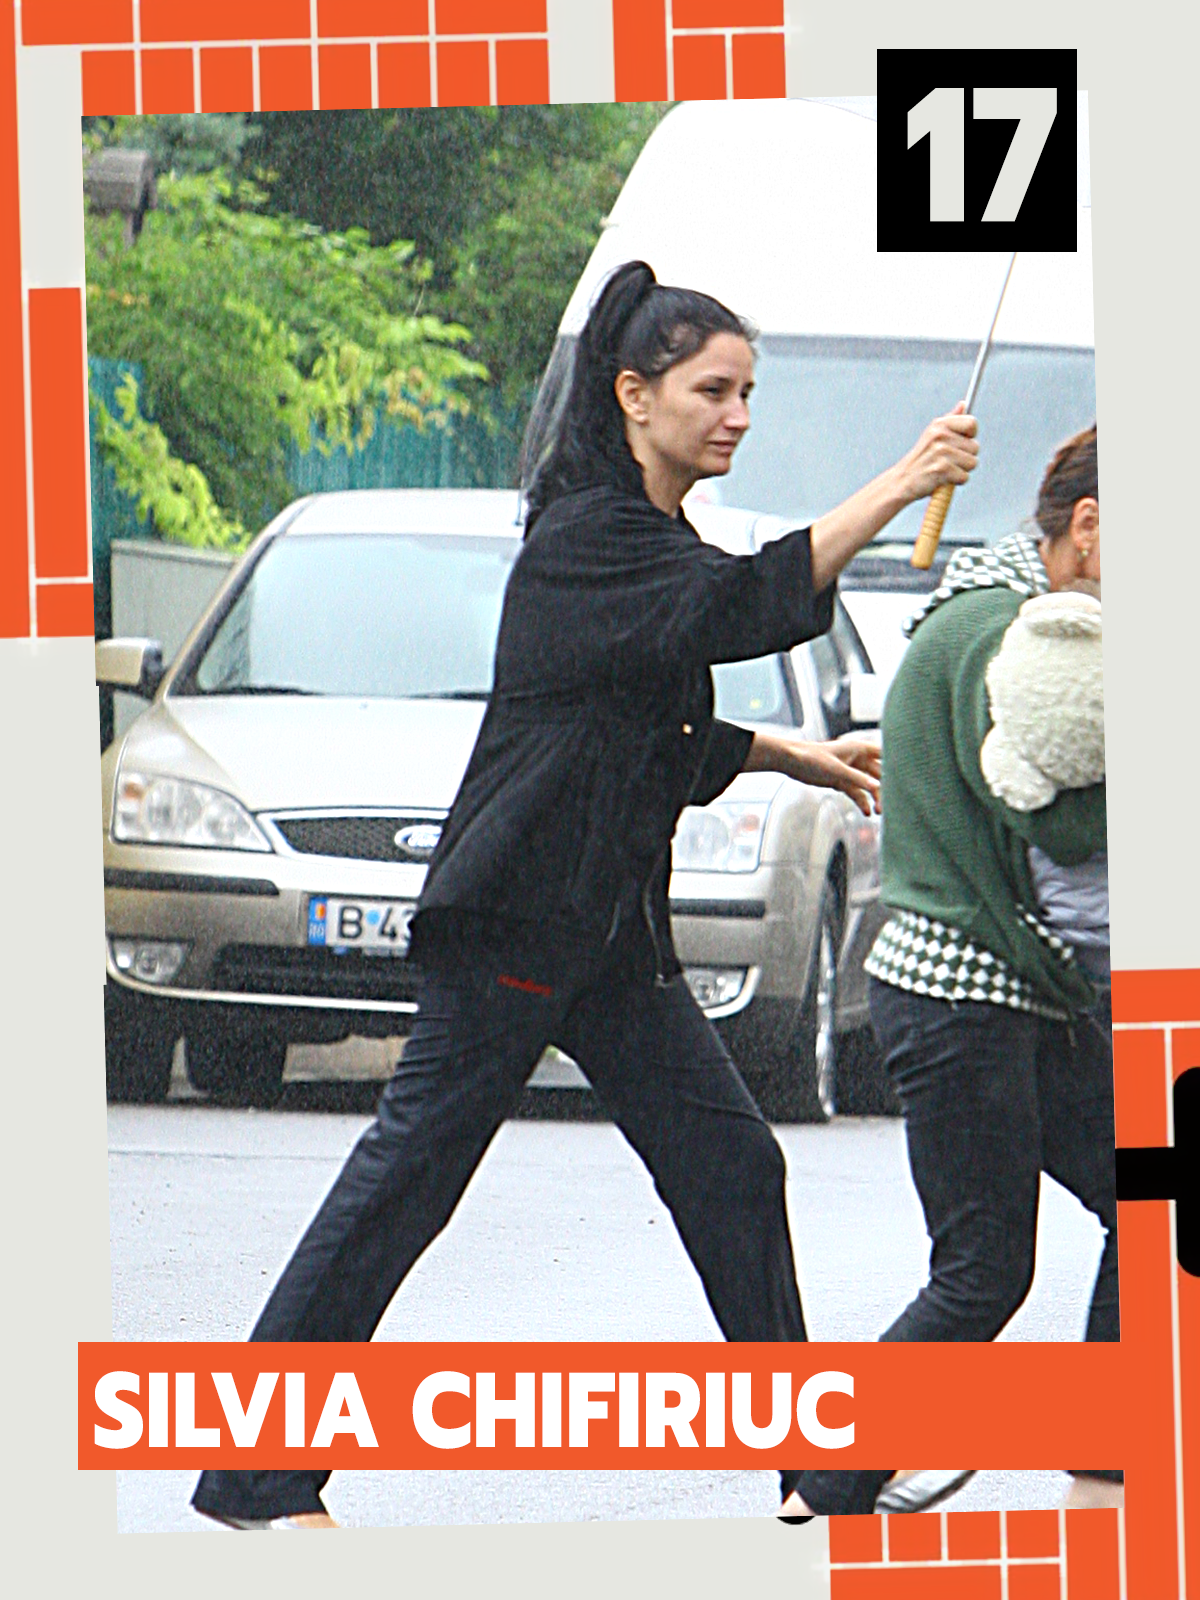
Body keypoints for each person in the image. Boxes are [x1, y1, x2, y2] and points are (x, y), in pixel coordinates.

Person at [191, 260, 979, 1530]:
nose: (735, 415)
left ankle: (816, 1467)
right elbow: (742, 606)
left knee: (734, 1167)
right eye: (712, 391)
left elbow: (643, 719)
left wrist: (790, 755)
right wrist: (905, 480)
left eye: (747, 393)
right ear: (634, 395)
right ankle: (253, 1472)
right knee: (403, 1187)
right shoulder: (589, 535)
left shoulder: (648, 539)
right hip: (516, 918)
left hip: (605, 935)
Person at [781, 426, 1120, 1521]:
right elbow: (1057, 819)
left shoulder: (991, 611)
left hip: (1007, 992)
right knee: (983, 1269)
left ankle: (1107, 1456)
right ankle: (834, 1476)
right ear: (1088, 526)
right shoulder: (1010, 638)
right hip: (963, 994)